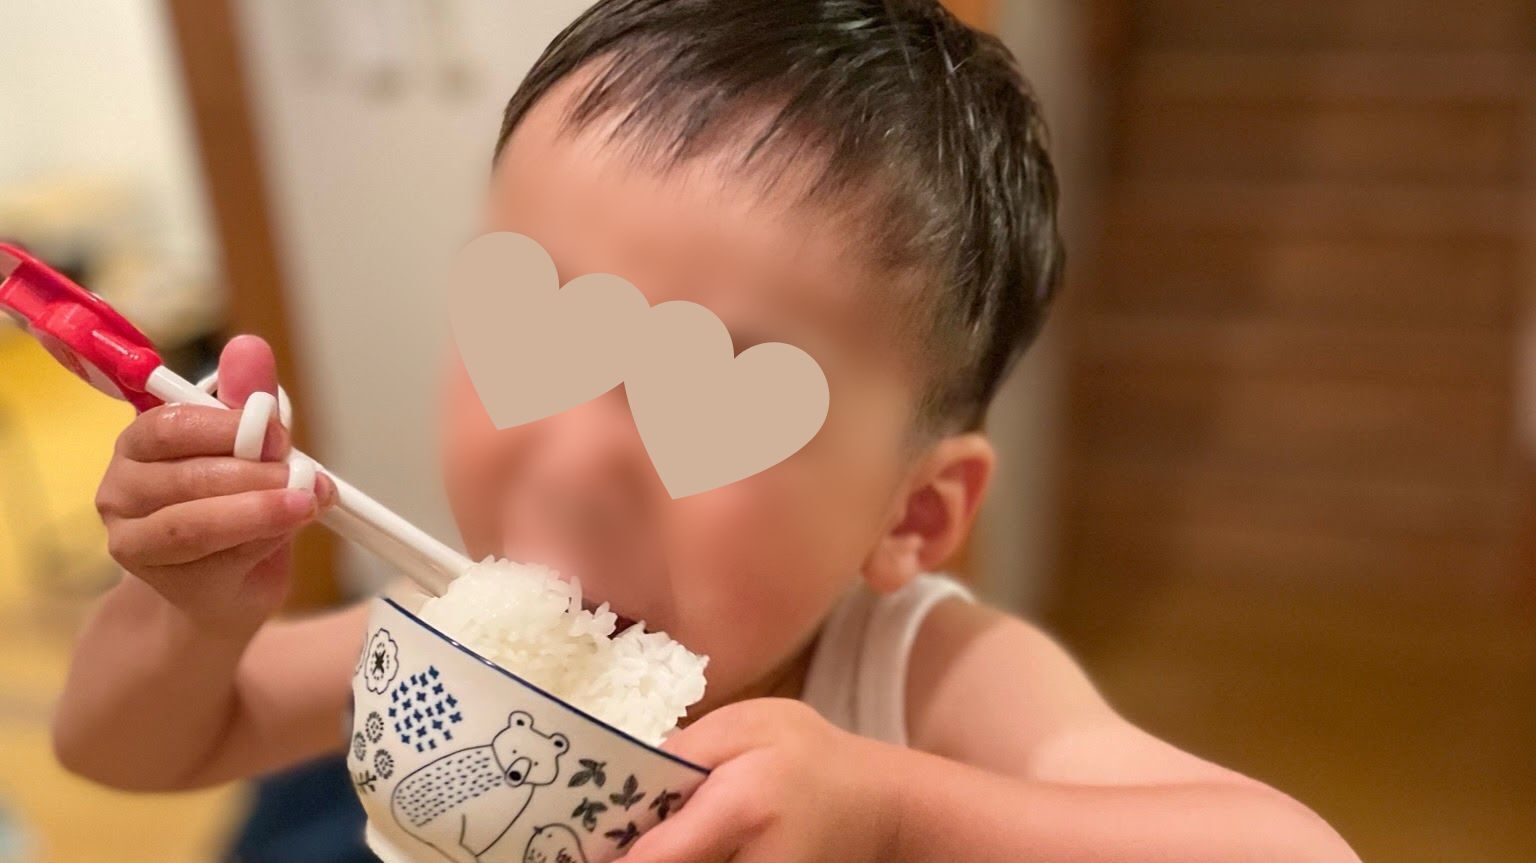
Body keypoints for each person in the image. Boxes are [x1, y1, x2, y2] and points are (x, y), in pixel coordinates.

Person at [54, 1, 1359, 860]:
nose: (578, 460)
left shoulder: (921, 679)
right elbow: (127, 750)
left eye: (707, 398)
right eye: (534, 336)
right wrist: (190, 614)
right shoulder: (455, 631)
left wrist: (898, 817)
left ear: (910, 515)